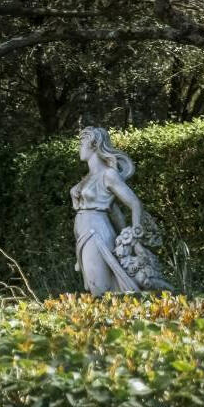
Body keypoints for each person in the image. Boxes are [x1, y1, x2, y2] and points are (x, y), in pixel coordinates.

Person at [70, 126, 144, 295]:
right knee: (94, 286)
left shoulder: (108, 175)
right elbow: (114, 210)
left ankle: (116, 319)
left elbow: (134, 203)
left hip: (96, 231)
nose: (79, 148)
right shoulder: (88, 178)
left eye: (82, 143)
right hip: (83, 232)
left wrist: (135, 231)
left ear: (94, 145)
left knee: (100, 289)